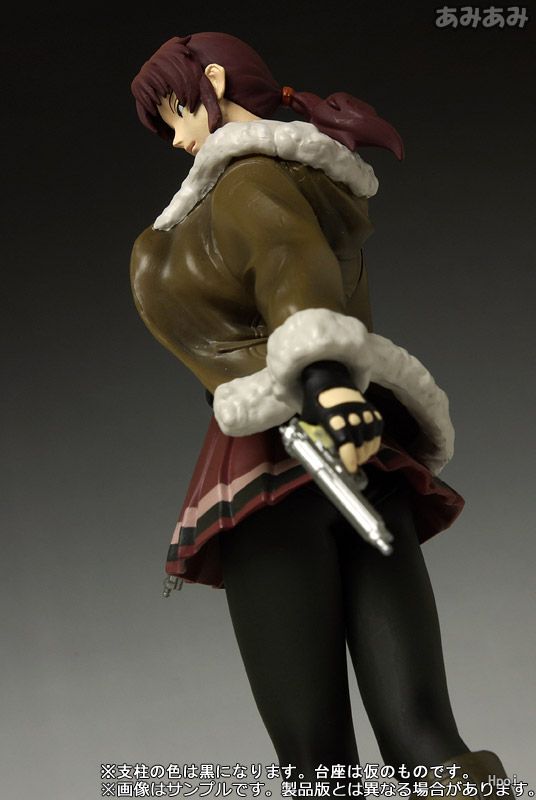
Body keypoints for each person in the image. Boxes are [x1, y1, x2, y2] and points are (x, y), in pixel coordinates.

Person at [130, 32, 510, 796]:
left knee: (317, 763)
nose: (176, 138)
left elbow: (288, 269)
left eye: (177, 113)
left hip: (276, 467)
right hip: (358, 454)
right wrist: (334, 389)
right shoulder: (300, 180)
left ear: (212, 82)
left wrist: (325, 382)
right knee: (426, 739)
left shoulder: (245, 181)